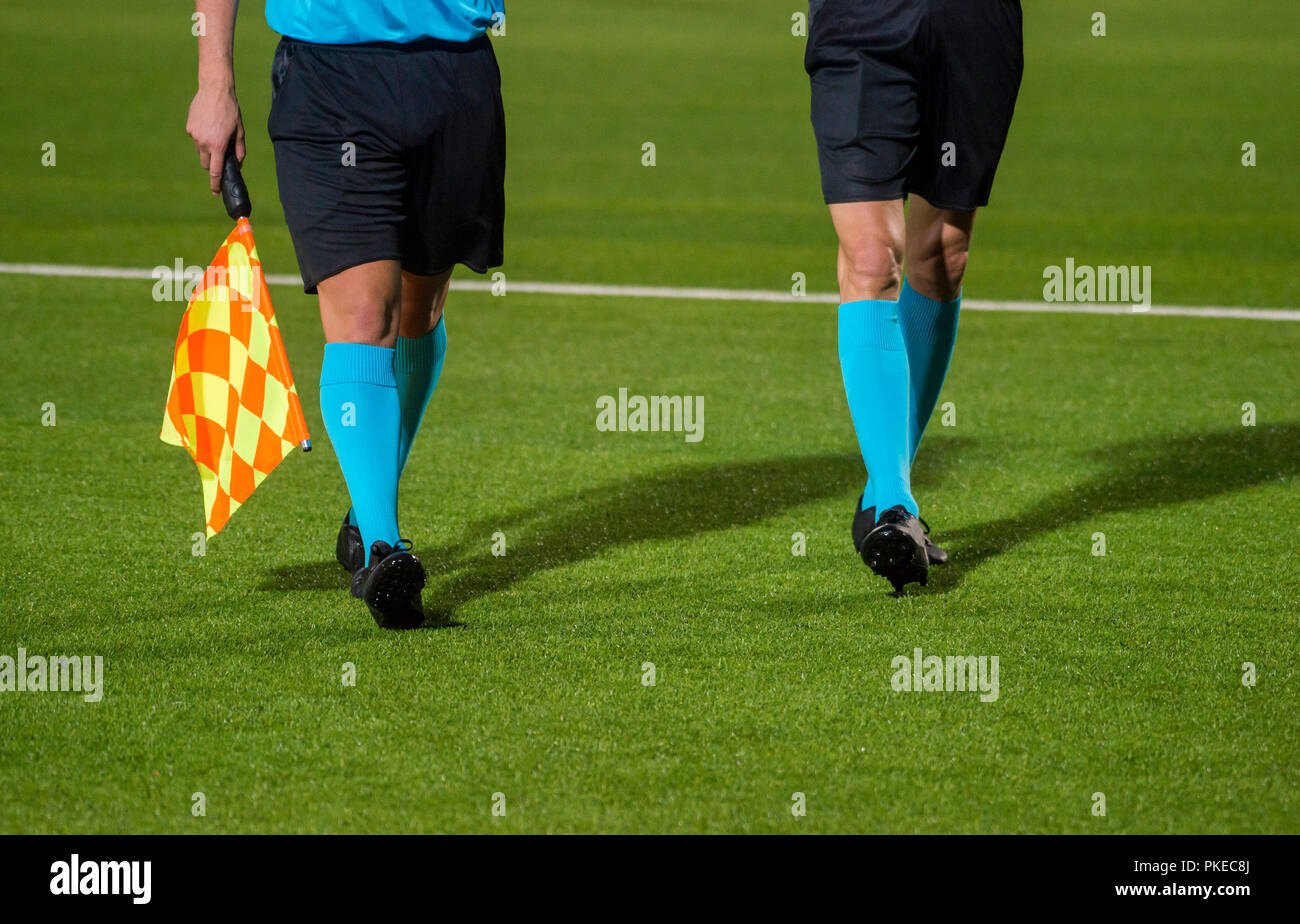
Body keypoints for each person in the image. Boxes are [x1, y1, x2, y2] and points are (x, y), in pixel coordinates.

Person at [186, 0, 506, 627]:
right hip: (331, 78)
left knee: (420, 307)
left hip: (456, 69)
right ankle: (386, 551)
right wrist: (214, 83)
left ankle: (365, 511)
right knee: (364, 315)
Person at [804, 0, 1023, 592]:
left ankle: (882, 493)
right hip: (863, 21)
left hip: (971, 22)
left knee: (944, 253)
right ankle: (896, 506)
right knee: (872, 258)